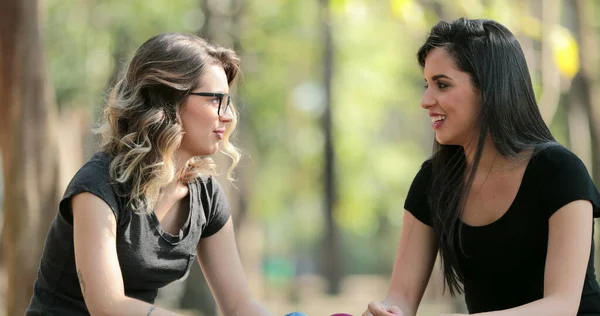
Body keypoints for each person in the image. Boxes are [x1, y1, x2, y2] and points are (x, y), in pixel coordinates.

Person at [363, 18, 600, 316]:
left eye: (442, 84)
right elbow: (401, 297)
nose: (425, 100)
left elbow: (561, 305)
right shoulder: (433, 179)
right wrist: (384, 312)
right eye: (427, 84)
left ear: (489, 88)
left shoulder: (560, 172)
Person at [26, 33, 272, 316]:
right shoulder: (98, 185)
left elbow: (239, 304)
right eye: (214, 100)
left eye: (227, 101)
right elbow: (108, 307)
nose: (227, 116)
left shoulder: (204, 195)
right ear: (167, 101)